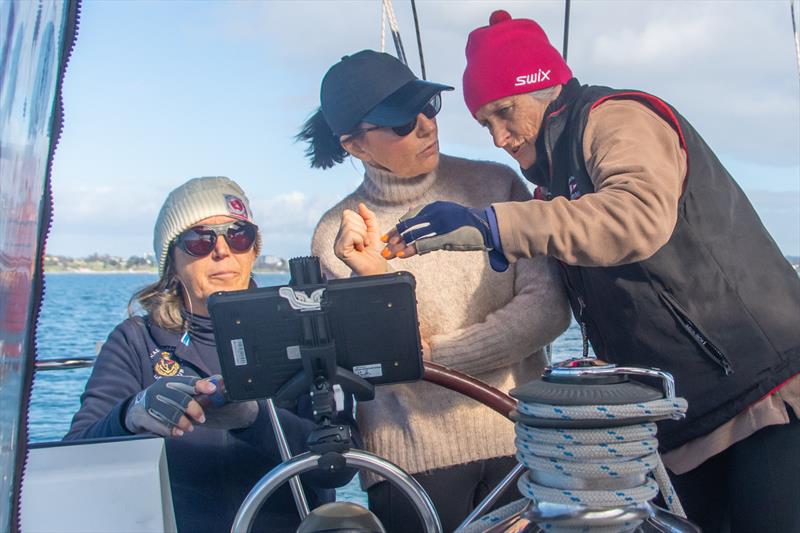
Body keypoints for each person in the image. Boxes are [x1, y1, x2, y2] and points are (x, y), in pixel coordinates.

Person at [383, 10, 800, 533]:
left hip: (767, 397)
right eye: (485, 123)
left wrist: (495, 225)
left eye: (504, 112)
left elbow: (635, 217)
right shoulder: (554, 183)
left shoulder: (617, 119)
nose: (499, 138)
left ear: (542, 88)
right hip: (684, 422)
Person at [298, 49, 571, 532]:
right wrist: (376, 275)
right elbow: (385, 356)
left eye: (428, 107)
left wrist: (442, 357)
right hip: (407, 466)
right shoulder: (335, 236)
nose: (426, 125)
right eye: (401, 122)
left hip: (522, 446)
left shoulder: (498, 184)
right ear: (356, 146)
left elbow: (548, 310)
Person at [64, 176, 357, 532]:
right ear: (171, 263)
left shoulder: (306, 332)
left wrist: (253, 419)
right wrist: (132, 412)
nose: (222, 251)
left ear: (253, 251)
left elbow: (343, 466)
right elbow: (76, 454)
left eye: (238, 236)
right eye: (200, 240)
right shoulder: (136, 342)